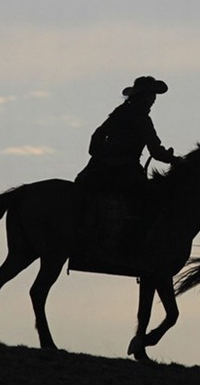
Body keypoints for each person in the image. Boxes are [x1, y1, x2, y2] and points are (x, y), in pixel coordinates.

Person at [74, 76, 179, 254]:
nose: (153, 100)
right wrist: (174, 160)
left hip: (98, 168)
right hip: (125, 170)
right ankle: (131, 248)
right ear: (143, 97)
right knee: (152, 201)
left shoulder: (120, 112)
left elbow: (97, 136)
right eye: (151, 95)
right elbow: (155, 150)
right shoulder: (142, 118)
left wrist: (101, 155)